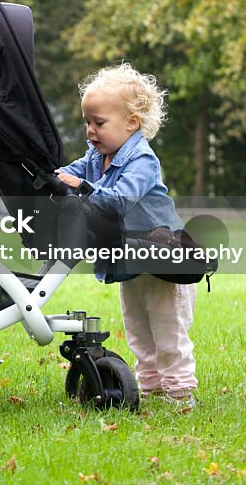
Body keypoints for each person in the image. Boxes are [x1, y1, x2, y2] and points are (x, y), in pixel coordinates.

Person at [55, 63, 198, 407]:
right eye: (87, 122)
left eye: (99, 123)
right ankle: (149, 386)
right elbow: (69, 173)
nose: (90, 130)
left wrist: (81, 187)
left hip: (163, 257)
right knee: (137, 326)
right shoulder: (96, 155)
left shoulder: (143, 161)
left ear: (131, 122)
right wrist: (55, 176)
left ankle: (180, 391)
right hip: (129, 256)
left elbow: (118, 200)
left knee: (167, 328)